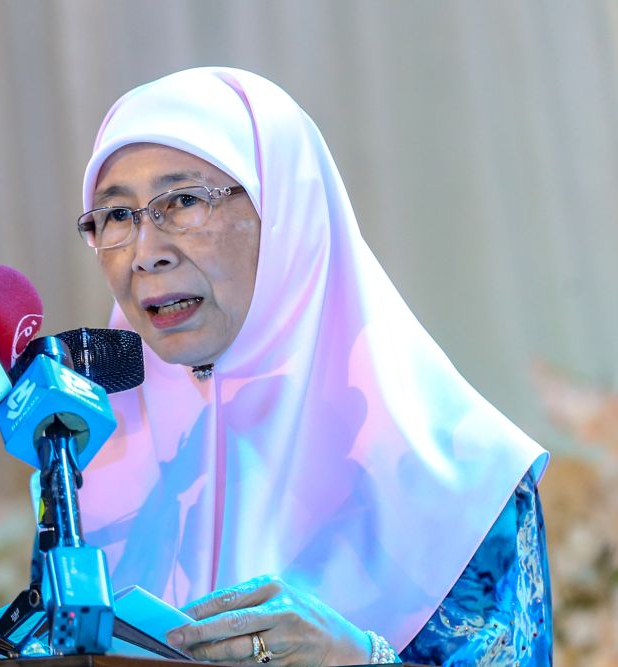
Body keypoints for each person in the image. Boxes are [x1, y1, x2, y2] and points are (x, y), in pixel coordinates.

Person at [74, 67, 552, 666]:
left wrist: (357, 658)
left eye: (185, 201)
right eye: (117, 215)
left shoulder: (461, 476)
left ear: (285, 213)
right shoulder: (86, 462)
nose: (146, 254)